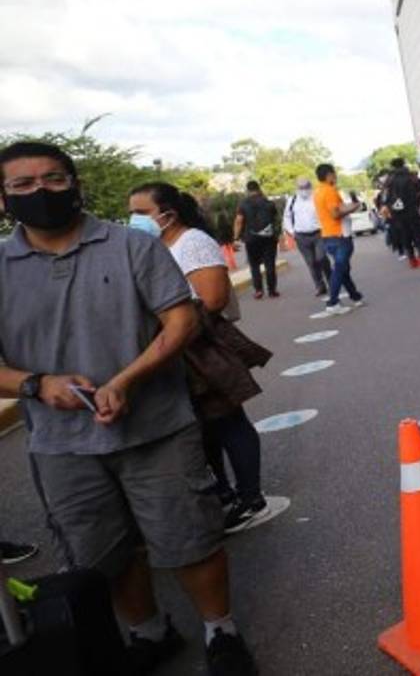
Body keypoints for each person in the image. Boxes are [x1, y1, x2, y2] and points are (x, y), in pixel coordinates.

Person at [0, 141, 257, 675]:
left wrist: (128, 379)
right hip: (62, 446)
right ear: (3, 199)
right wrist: (35, 384)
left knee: (191, 537)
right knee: (104, 552)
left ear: (77, 185)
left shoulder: (131, 246)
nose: (41, 192)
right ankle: (149, 631)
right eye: (23, 185)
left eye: (53, 179)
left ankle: (220, 631)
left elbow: (181, 321)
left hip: (159, 428)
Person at [128, 182, 271, 535]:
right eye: (130, 212)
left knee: (227, 420)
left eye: (141, 213)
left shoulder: (192, 242)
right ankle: (221, 492)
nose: (133, 220)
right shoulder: (152, 246)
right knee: (200, 426)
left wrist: (176, 329)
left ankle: (250, 497)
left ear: (168, 214)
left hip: (199, 346)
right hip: (173, 347)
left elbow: (212, 299)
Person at [313, 163, 365, 315]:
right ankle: (333, 302)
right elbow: (336, 213)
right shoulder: (330, 191)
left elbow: (338, 208)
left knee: (343, 269)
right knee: (339, 268)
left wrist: (349, 206)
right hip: (339, 235)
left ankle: (355, 296)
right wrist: (354, 207)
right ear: (329, 175)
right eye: (334, 173)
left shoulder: (318, 192)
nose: (335, 176)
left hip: (328, 235)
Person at [282, 177, 333, 297]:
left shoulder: (316, 197)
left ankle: (332, 281)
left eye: (306, 187)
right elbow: (287, 217)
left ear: (310, 187)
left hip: (318, 233)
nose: (303, 190)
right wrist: (292, 232)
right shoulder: (292, 200)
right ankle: (320, 286)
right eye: (301, 187)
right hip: (301, 236)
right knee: (311, 262)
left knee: (321, 258)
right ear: (297, 188)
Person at [381, 157, 420, 268]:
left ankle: (412, 260)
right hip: (410, 210)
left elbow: (385, 196)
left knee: (405, 236)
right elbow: (413, 194)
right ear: (403, 164)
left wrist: (389, 207)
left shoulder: (389, 179)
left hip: (396, 213)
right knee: (417, 234)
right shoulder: (408, 176)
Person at [232, 180, 278, 300]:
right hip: (268, 238)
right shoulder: (269, 203)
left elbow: (239, 221)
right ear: (259, 188)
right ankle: (272, 290)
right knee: (270, 264)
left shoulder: (243, 204)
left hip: (251, 239)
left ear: (248, 190)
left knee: (254, 265)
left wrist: (236, 237)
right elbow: (274, 219)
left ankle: (258, 290)